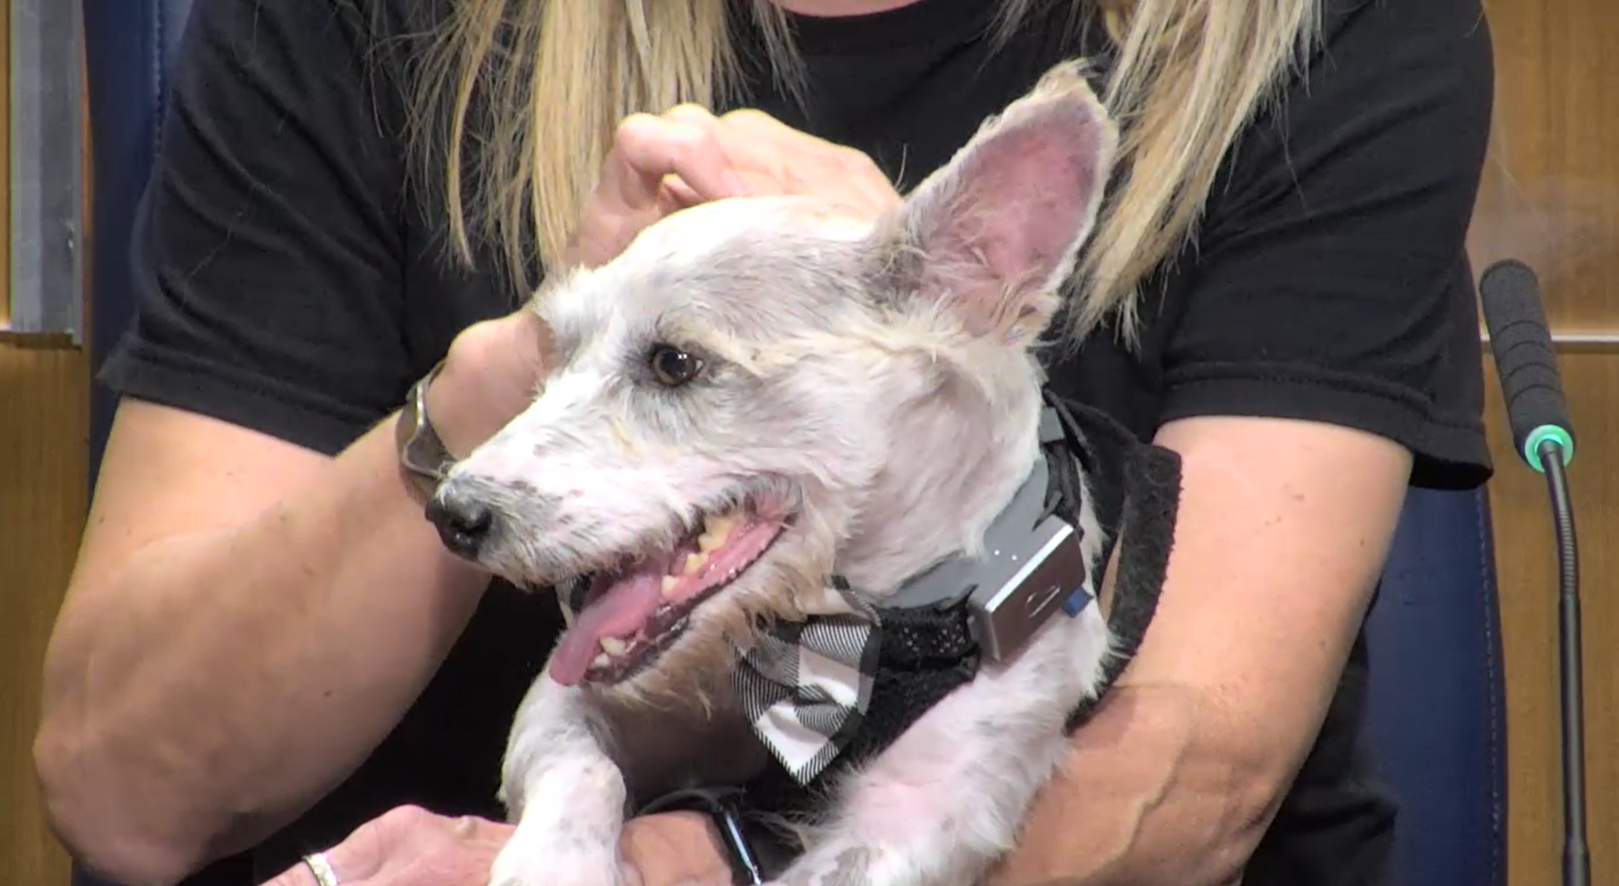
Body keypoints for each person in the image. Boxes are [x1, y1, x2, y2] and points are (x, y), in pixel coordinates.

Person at [32, 0, 1496, 884]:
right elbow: (122, 791)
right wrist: (509, 365)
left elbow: (1176, 784)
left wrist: (624, 865)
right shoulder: (369, 29)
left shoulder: (1325, 35)